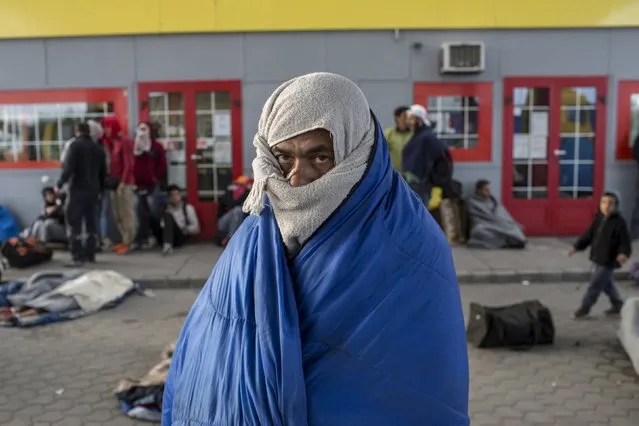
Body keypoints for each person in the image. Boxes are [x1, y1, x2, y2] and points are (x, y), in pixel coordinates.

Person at [163, 73, 469, 425]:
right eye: (283, 157)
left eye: (320, 157)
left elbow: (415, 392)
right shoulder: (255, 232)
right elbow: (203, 348)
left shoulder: (412, 245)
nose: (296, 177)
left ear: (358, 152)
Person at [569, 192, 631, 319]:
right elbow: (588, 235)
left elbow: (625, 242)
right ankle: (618, 305)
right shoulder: (599, 218)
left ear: (616, 206)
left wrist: (623, 253)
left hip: (609, 260)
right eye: (603, 202)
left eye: (610, 203)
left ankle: (584, 309)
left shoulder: (619, 222)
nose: (606, 206)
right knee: (607, 285)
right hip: (597, 257)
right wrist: (576, 246)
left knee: (595, 285)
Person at [56, 122, 106, 266]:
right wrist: (100, 189)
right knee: (91, 223)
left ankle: (78, 256)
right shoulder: (98, 149)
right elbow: (103, 173)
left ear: (77, 131)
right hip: (94, 190)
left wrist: (59, 184)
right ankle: (90, 255)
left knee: (74, 223)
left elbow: (69, 168)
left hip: (77, 189)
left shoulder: (74, 146)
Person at [402, 104, 454, 206]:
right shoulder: (420, 136)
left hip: (420, 186)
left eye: (412, 119)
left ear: (420, 120)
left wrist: (432, 178)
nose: (409, 122)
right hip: (415, 185)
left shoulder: (426, 138)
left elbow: (442, 158)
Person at [102, 116, 136, 255]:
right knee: (117, 214)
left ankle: (129, 241)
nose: (106, 130)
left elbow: (129, 163)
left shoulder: (124, 141)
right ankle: (124, 240)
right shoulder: (110, 142)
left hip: (124, 183)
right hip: (113, 183)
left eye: (107, 126)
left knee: (126, 213)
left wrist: (123, 181)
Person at [132, 121, 167, 250]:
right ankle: (141, 238)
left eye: (144, 129)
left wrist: (155, 177)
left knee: (153, 211)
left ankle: (158, 236)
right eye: (139, 129)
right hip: (137, 185)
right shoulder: (133, 147)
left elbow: (162, 164)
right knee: (139, 212)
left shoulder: (156, 147)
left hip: (152, 184)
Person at [466, 179, 527, 249]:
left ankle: (514, 240)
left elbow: (502, 213)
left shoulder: (494, 200)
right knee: (478, 231)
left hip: (499, 222)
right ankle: (508, 242)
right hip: (484, 224)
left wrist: (500, 220)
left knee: (513, 227)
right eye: (486, 190)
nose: (489, 192)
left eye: (489, 189)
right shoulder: (472, 201)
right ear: (478, 190)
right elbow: (478, 215)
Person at [149, 185, 199, 255]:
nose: (175, 198)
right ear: (169, 198)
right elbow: (163, 224)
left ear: (180, 195)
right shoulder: (167, 209)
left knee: (168, 215)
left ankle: (168, 246)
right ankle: (158, 241)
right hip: (166, 234)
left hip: (180, 235)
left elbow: (196, 228)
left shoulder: (188, 208)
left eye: (177, 195)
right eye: (172, 196)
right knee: (152, 218)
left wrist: (185, 229)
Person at [215, 175, 253, 247]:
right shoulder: (230, 191)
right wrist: (244, 192)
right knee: (238, 210)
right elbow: (232, 204)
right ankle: (231, 240)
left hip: (240, 223)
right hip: (223, 224)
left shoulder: (251, 193)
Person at [383, 106, 413, 171]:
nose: (408, 119)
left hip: (412, 175)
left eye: (410, 116)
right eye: (405, 116)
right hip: (394, 174)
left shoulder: (415, 134)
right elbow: (381, 152)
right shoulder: (389, 134)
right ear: (397, 118)